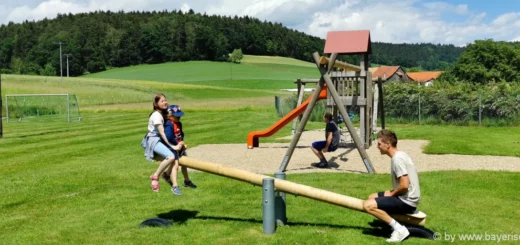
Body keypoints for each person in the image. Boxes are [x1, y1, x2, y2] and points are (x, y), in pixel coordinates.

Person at [363, 130, 421, 243]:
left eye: (379, 144)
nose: (377, 147)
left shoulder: (397, 159)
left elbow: (404, 185)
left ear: (388, 144)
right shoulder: (400, 154)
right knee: (371, 197)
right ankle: (388, 222)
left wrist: (391, 194)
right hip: (407, 196)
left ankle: (399, 229)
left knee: (368, 205)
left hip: (407, 201)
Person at [141, 93, 185, 195]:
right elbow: (162, 133)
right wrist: (172, 145)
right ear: (156, 104)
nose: (165, 102)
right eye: (162, 101)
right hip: (154, 140)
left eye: (165, 100)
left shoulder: (163, 113)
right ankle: (155, 176)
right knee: (170, 156)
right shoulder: (156, 116)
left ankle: (166, 175)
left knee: (175, 157)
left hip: (159, 139)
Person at [162, 104, 197, 190]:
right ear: (169, 116)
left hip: (179, 147)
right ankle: (169, 177)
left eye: (179, 116)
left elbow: (180, 135)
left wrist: (182, 143)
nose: (179, 118)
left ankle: (186, 181)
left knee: (184, 163)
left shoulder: (178, 123)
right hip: (173, 147)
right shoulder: (168, 125)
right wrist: (178, 144)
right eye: (176, 116)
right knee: (176, 164)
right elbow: (169, 137)